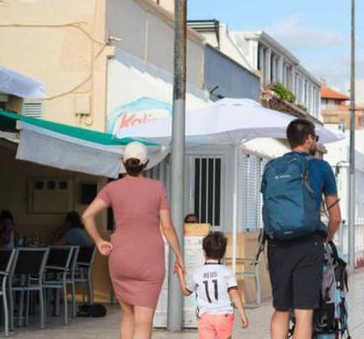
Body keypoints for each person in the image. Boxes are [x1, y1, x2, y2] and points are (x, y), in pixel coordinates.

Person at [82, 142, 185, 339]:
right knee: (143, 322)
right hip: (149, 263)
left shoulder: (112, 188)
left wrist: (99, 241)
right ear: (146, 164)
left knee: (128, 318)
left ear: (123, 163)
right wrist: (179, 256)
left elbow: (87, 216)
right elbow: (168, 227)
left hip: (120, 260)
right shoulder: (157, 188)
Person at [262, 119, 341, 339]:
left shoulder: (272, 166)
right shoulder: (321, 166)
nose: (316, 141)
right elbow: (336, 217)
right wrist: (329, 237)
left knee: (281, 309)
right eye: (315, 137)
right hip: (309, 243)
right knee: (304, 313)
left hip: (277, 244)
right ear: (308, 139)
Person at [174, 232, 248, 338]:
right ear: (223, 253)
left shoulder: (198, 272)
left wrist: (180, 275)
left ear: (204, 251)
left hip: (205, 317)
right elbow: (235, 293)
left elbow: (186, 292)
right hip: (224, 316)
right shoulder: (227, 272)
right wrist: (243, 315)